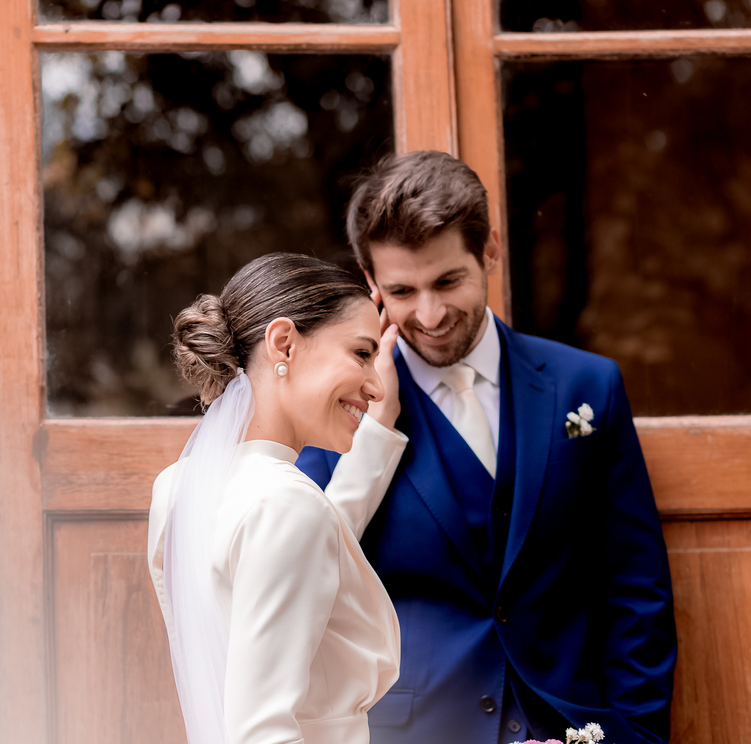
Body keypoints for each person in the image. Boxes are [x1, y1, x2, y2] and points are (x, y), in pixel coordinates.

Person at [297, 151, 677, 744]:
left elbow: (634, 585)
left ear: (490, 252)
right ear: (370, 283)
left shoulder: (587, 387)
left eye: (448, 281)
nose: (430, 313)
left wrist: (638, 733)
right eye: (402, 289)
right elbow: (310, 578)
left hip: (573, 724)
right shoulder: (334, 413)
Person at [147, 252, 411, 744]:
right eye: (361, 353)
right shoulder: (284, 506)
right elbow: (263, 733)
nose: (376, 385)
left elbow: (301, 552)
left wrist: (376, 436)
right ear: (284, 343)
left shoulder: (178, 488)